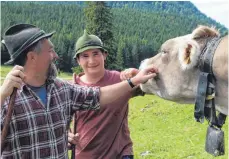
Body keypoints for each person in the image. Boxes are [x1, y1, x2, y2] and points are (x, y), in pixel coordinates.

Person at [0, 24, 158, 158]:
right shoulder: (8, 98)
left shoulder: (61, 89)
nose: (55, 55)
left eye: (96, 53)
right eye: (50, 51)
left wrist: (134, 80)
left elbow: (98, 95)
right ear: (32, 57)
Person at [68, 30, 147, 159]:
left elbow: (152, 85)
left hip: (121, 153)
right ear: (78, 60)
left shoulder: (121, 80)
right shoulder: (72, 88)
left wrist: (137, 73)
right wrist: (66, 134)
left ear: (104, 55)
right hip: (84, 155)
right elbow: (60, 121)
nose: (92, 60)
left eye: (96, 53)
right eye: (85, 56)